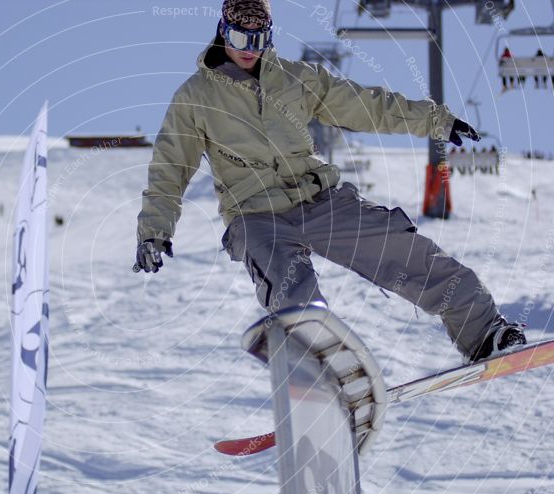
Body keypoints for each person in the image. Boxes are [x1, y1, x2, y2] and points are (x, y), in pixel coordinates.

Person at [133, 0, 525, 362]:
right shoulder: (194, 97)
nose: (248, 48)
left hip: (319, 199)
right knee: (290, 288)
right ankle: (316, 367)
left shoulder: (295, 78)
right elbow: (170, 166)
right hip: (256, 216)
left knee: (403, 248)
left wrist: (434, 119)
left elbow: (363, 104)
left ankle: (484, 331)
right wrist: (153, 231)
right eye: (239, 37)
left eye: (259, 39)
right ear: (222, 31)